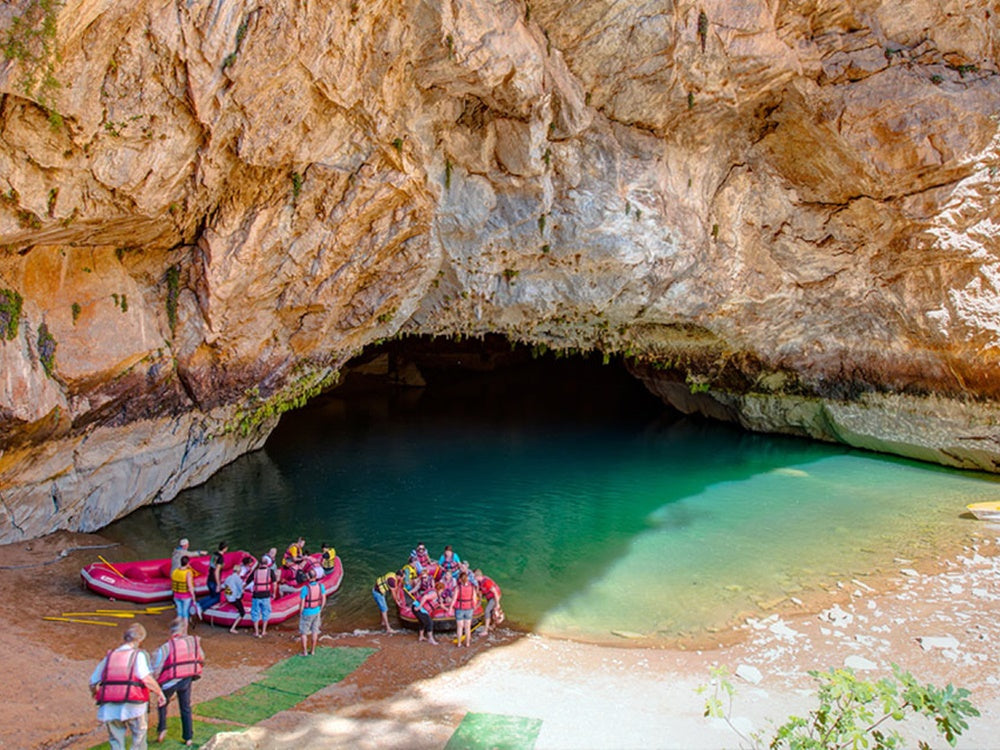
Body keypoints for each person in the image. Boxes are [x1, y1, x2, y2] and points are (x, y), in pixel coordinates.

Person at [89, 623, 167, 750]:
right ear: (140, 641)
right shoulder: (137, 656)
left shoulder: (109, 657)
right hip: (134, 705)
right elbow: (146, 679)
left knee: (116, 741)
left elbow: (93, 681)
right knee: (139, 740)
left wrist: (94, 693)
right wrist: (160, 693)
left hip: (110, 706)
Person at [152, 617, 204, 746]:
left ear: (171, 632)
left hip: (169, 681)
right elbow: (201, 658)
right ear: (183, 630)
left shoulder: (166, 647)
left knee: (162, 703)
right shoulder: (191, 643)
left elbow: (157, 666)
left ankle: (162, 729)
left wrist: (156, 681)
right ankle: (188, 737)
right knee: (185, 707)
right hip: (186, 679)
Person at [298, 568, 327, 656]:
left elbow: (302, 603)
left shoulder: (305, 588)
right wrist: (320, 608)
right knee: (315, 631)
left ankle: (304, 652)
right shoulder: (321, 586)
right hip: (316, 611)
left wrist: (300, 612)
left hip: (307, 612)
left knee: (304, 633)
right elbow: (323, 599)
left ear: (308, 577)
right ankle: (313, 650)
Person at [221, 556, 252, 633]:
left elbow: (224, 586)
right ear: (239, 571)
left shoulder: (228, 578)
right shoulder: (238, 579)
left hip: (228, 597)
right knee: (242, 613)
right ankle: (233, 628)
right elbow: (241, 589)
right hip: (233, 599)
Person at [196, 541, 228, 613]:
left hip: (209, 578)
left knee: (212, 595)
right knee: (217, 598)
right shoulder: (220, 558)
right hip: (214, 581)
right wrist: (218, 584)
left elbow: (211, 567)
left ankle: (198, 603)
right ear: (225, 548)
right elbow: (216, 571)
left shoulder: (214, 554)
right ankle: (201, 607)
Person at [251, 554, 278, 637]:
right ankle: (263, 631)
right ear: (267, 564)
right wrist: (274, 593)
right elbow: (274, 584)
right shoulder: (270, 572)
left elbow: (247, 582)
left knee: (255, 613)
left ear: (259, 564)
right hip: (266, 595)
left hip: (256, 595)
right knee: (266, 612)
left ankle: (256, 632)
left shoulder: (255, 572)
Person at [474, 569, 502, 637]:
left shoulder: (487, 582)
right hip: (489, 597)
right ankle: (493, 626)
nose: (473, 578)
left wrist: (497, 604)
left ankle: (485, 631)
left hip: (494, 597)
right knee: (492, 611)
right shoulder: (479, 582)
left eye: (474, 577)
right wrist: (478, 604)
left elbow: (495, 592)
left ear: (478, 576)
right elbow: (480, 593)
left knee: (487, 611)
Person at [454, 570, 478, 648]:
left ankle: (459, 643)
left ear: (460, 579)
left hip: (460, 608)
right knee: (468, 627)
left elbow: (454, 599)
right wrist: (474, 607)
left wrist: (450, 607)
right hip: (469, 608)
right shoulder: (472, 587)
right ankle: (467, 643)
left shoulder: (458, 588)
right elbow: (474, 599)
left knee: (460, 627)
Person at [171, 556, 196, 625]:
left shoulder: (175, 571)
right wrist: (193, 597)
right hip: (185, 596)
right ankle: (185, 630)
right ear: (188, 563)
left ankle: (177, 627)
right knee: (185, 613)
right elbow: (190, 586)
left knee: (179, 613)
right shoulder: (188, 573)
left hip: (176, 595)